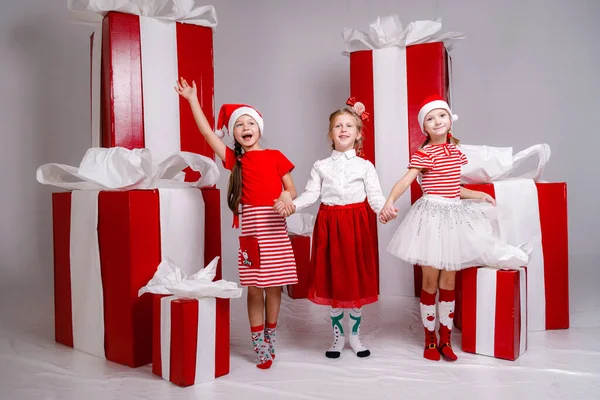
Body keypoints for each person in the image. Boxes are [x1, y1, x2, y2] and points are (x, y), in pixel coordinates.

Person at [379, 95, 529, 362]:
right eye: (430, 118)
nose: (437, 121)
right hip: (431, 218)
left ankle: (445, 337)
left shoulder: (457, 153)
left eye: (442, 115)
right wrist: (389, 201)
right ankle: (429, 338)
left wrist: (478, 195)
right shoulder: (424, 153)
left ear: (450, 121)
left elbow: (454, 188)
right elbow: (406, 181)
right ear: (424, 127)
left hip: (453, 218)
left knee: (449, 279)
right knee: (430, 280)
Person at [176, 78, 298, 369]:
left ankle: (271, 334)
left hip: (276, 230)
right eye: (240, 125)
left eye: (250, 123)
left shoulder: (276, 156)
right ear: (234, 133)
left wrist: (285, 194)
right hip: (253, 233)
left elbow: (292, 190)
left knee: (275, 286)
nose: (246, 128)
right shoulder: (235, 160)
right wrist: (193, 100)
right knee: (255, 288)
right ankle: (258, 343)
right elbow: (207, 133)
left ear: (259, 128)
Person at [276, 98, 385, 359]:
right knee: (334, 279)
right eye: (338, 125)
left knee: (355, 281)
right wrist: (291, 205)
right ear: (330, 133)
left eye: (349, 125)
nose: (343, 129)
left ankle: (355, 336)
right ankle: (337, 336)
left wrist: (385, 210)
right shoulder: (320, 166)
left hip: (356, 224)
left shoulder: (365, 166)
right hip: (330, 224)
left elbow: (376, 197)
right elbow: (311, 195)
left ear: (358, 134)